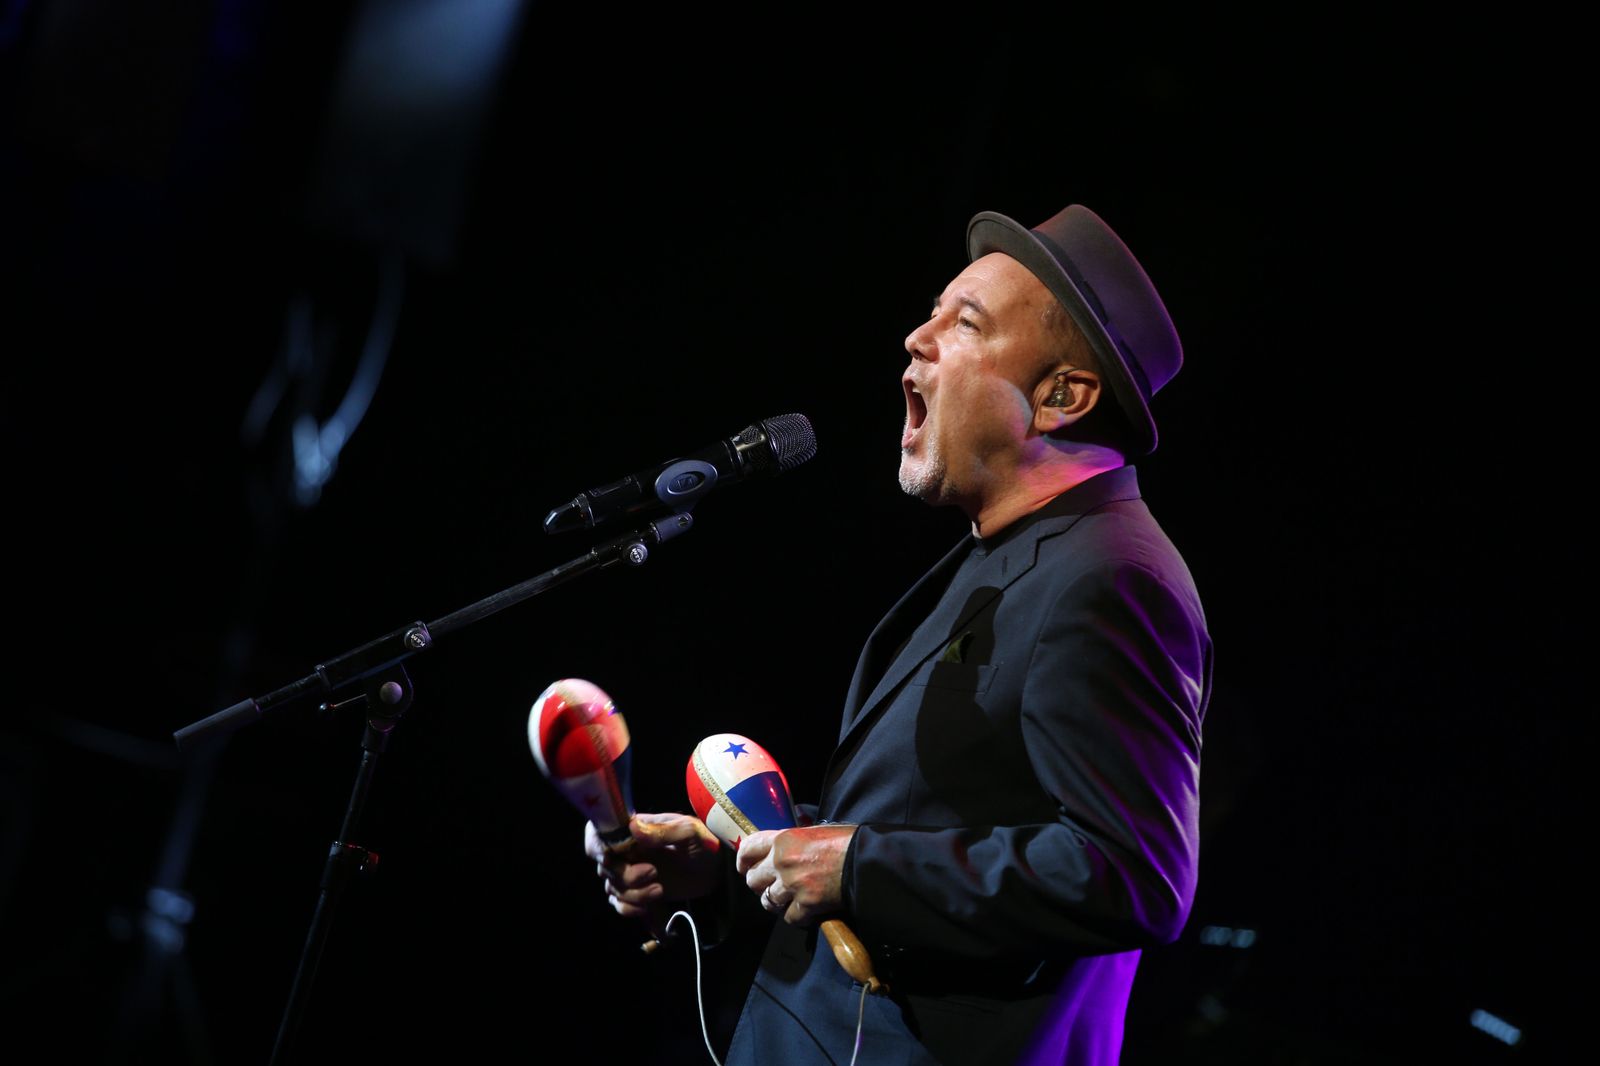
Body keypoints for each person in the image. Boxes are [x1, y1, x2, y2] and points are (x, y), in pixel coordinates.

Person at [586, 203, 1212, 1065]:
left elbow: (1134, 872)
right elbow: (926, 822)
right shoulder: (1011, 552)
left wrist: (858, 868)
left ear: (1063, 395)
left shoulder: (1111, 576)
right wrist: (740, 863)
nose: (916, 339)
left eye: (965, 323)